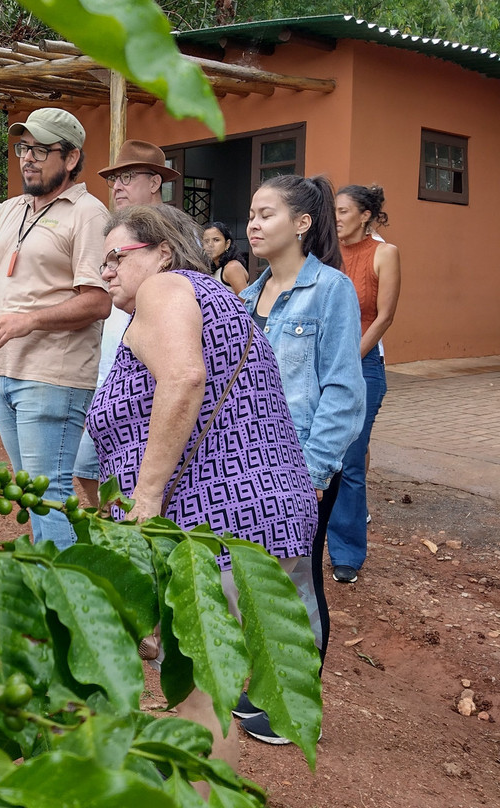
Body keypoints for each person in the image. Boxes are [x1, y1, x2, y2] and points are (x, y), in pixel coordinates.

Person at [86, 203, 318, 781]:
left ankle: (205, 796)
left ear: (163, 250)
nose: (106, 270)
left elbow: (185, 378)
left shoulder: (166, 288)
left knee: (199, 695)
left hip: (214, 528)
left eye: (118, 256)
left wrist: (145, 497)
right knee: (212, 690)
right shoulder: (213, 300)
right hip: (261, 518)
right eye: (102, 260)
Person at [0, 108, 110, 550]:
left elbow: (99, 299)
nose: (27, 159)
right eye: (23, 148)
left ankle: (69, 605)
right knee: (34, 493)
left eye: (41, 150)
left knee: (48, 492)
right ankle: (56, 590)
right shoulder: (11, 209)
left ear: (70, 159)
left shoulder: (88, 213)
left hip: (54, 375)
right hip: (5, 371)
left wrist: (28, 320)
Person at [236, 174, 366, 744]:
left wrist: (312, 472)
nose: (253, 224)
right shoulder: (244, 296)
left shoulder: (331, 290)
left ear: (303, 223)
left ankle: (292, 706)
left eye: (266, 214)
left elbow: (343, 390)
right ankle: (264, 682)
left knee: (293, 581)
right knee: (250, 577)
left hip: (301, 464)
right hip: (246, 462)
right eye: (251, 214)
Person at [73, 140, 181, 509]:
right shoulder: (116, 231)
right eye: (114, 179)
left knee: (147, 475)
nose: (117, 186)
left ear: (155, 182)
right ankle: (117, 527)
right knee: (87, 466)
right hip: (111, 370)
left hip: (152, 376)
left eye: (127, 177)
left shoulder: (178, 235)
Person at [326, 185, 401, 583]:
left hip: (363, 363)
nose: (336, 217)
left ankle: (347, 553)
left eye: (343, 211)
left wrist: (348, 359)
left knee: (351, 462)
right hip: (324, 361)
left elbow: (384, 315)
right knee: (317, 456)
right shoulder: (329, 254)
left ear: (366, 215)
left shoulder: (384, 254)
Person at [202, 221, 249, 295]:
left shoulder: (232, 267)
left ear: (227, 244)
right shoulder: (212, 269)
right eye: (206, 241)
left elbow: (246, 302)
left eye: (216, 240)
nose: (210, 245)